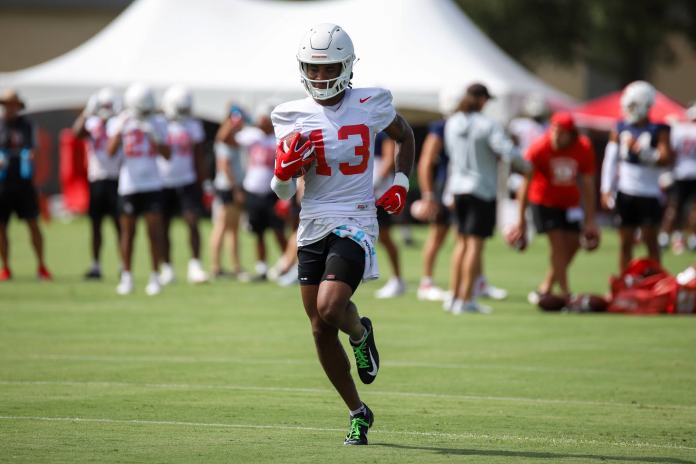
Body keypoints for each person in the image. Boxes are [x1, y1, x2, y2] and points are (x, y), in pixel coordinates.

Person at [270, 23, 414, 445]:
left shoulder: (370, 101)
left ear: (347, 66)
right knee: (318, 327)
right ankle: (357, 411)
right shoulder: (289, 114)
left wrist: (401, 183)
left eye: (328, 67)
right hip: (312, 222)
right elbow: (282, 192)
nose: (320, 76)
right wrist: (282, 173)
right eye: (313, 68)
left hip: (355, 218)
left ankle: (360, 332)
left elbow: (404, 134)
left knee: (331, 307)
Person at [443, 83, 528, 314]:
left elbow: (450, 154)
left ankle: (453, 296)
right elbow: (506, 151)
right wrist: (527, 166)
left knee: (461, 243)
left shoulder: (452, 123)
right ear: (481, 99)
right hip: (481, 189)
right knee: (474, 245)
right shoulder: (488, 124)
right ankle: (466, 299)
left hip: (458, 188)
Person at [507, 112, 599, 302]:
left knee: (573, 244)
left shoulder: (583, 147)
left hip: (570, 203)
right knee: (558, 245)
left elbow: (588, 184)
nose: (557, 136)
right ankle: (565, 293)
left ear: (571, 134)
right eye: (555, 131)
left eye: (562, 132)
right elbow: (525, 185)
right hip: (543, 201)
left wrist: (590, 220)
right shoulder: (539, 147)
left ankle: (546, 287)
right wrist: (521, 221)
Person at [600, 81, 674, 272]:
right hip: (626, 192)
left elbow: (665, 158)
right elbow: (610, 160)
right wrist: (606, 189)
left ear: (645, 105)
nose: (629, 110)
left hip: (649, 193)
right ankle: (625, 282)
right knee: (625, 242)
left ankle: (657, 281)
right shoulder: (619, 127)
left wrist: (642, 151)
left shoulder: (659, 129)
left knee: (651, 242)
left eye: (633, 105)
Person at [107, 83, 170, 295]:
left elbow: (168, 155)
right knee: (128, 233)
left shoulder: (158, 122)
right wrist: (120, 130)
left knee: (154, 232)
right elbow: (110, 152)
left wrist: (155, 137)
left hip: (152, 183)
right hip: (129, 185)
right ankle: (126, 277)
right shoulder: (121, 121)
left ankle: (155, 276)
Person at [230, 102, 287, 281]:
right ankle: (262, 268)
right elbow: (225, 139)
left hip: (273, 191)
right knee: (259, 232)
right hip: (253, 190)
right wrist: (233, 121)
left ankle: (288, 264)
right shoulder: (252, 135)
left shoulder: (280, 136)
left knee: (278, 230)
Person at [157, 85, 208, 285]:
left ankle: (195, 265)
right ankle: (166, 267)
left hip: (187, 181)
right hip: (163, 182)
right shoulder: (160, 123)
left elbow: (198, 156)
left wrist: (203, 183)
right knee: (163, 226)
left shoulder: (193, 125)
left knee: (193, 222)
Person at [0, 89, 52, 281]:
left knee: (33, 223)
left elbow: (33, 149)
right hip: (2, 184)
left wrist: (29, 156)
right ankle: (6, 267)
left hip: (23, 184)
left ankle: (41, 266)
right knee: (2, 227)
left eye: (13, 104)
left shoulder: (27, 125)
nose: (10, 108)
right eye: (6, 104)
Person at [72, 87, 122, 280]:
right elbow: (76, 133)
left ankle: (123, 264)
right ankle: (96, 265)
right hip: (97, 178)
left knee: (120, 225)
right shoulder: (92, 122)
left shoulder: (119, 122)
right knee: (96, 225)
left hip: (116, 178)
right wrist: (86, 112)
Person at [210, 105, 247, 278]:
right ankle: (216, 266)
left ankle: (235, 265)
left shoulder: (231, 141)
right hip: (228, 188)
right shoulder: (224, 141)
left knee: (233, 228)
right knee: (222, 226)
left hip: (232, 187)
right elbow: (225, 167)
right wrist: (236, 189)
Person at [373, 131, 406, 298]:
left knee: (384, 237)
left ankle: (397, 279)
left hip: (378, 193)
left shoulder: (382, 132)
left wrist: (374, 184)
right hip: (362, 192)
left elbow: (389, 158)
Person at [661, 103, 696, 254]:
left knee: (673, 207)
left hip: (679, 173)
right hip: (694, 174)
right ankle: (692, 240)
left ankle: (664, 238)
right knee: (693, 209)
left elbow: (672, 152)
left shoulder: (679, 130)